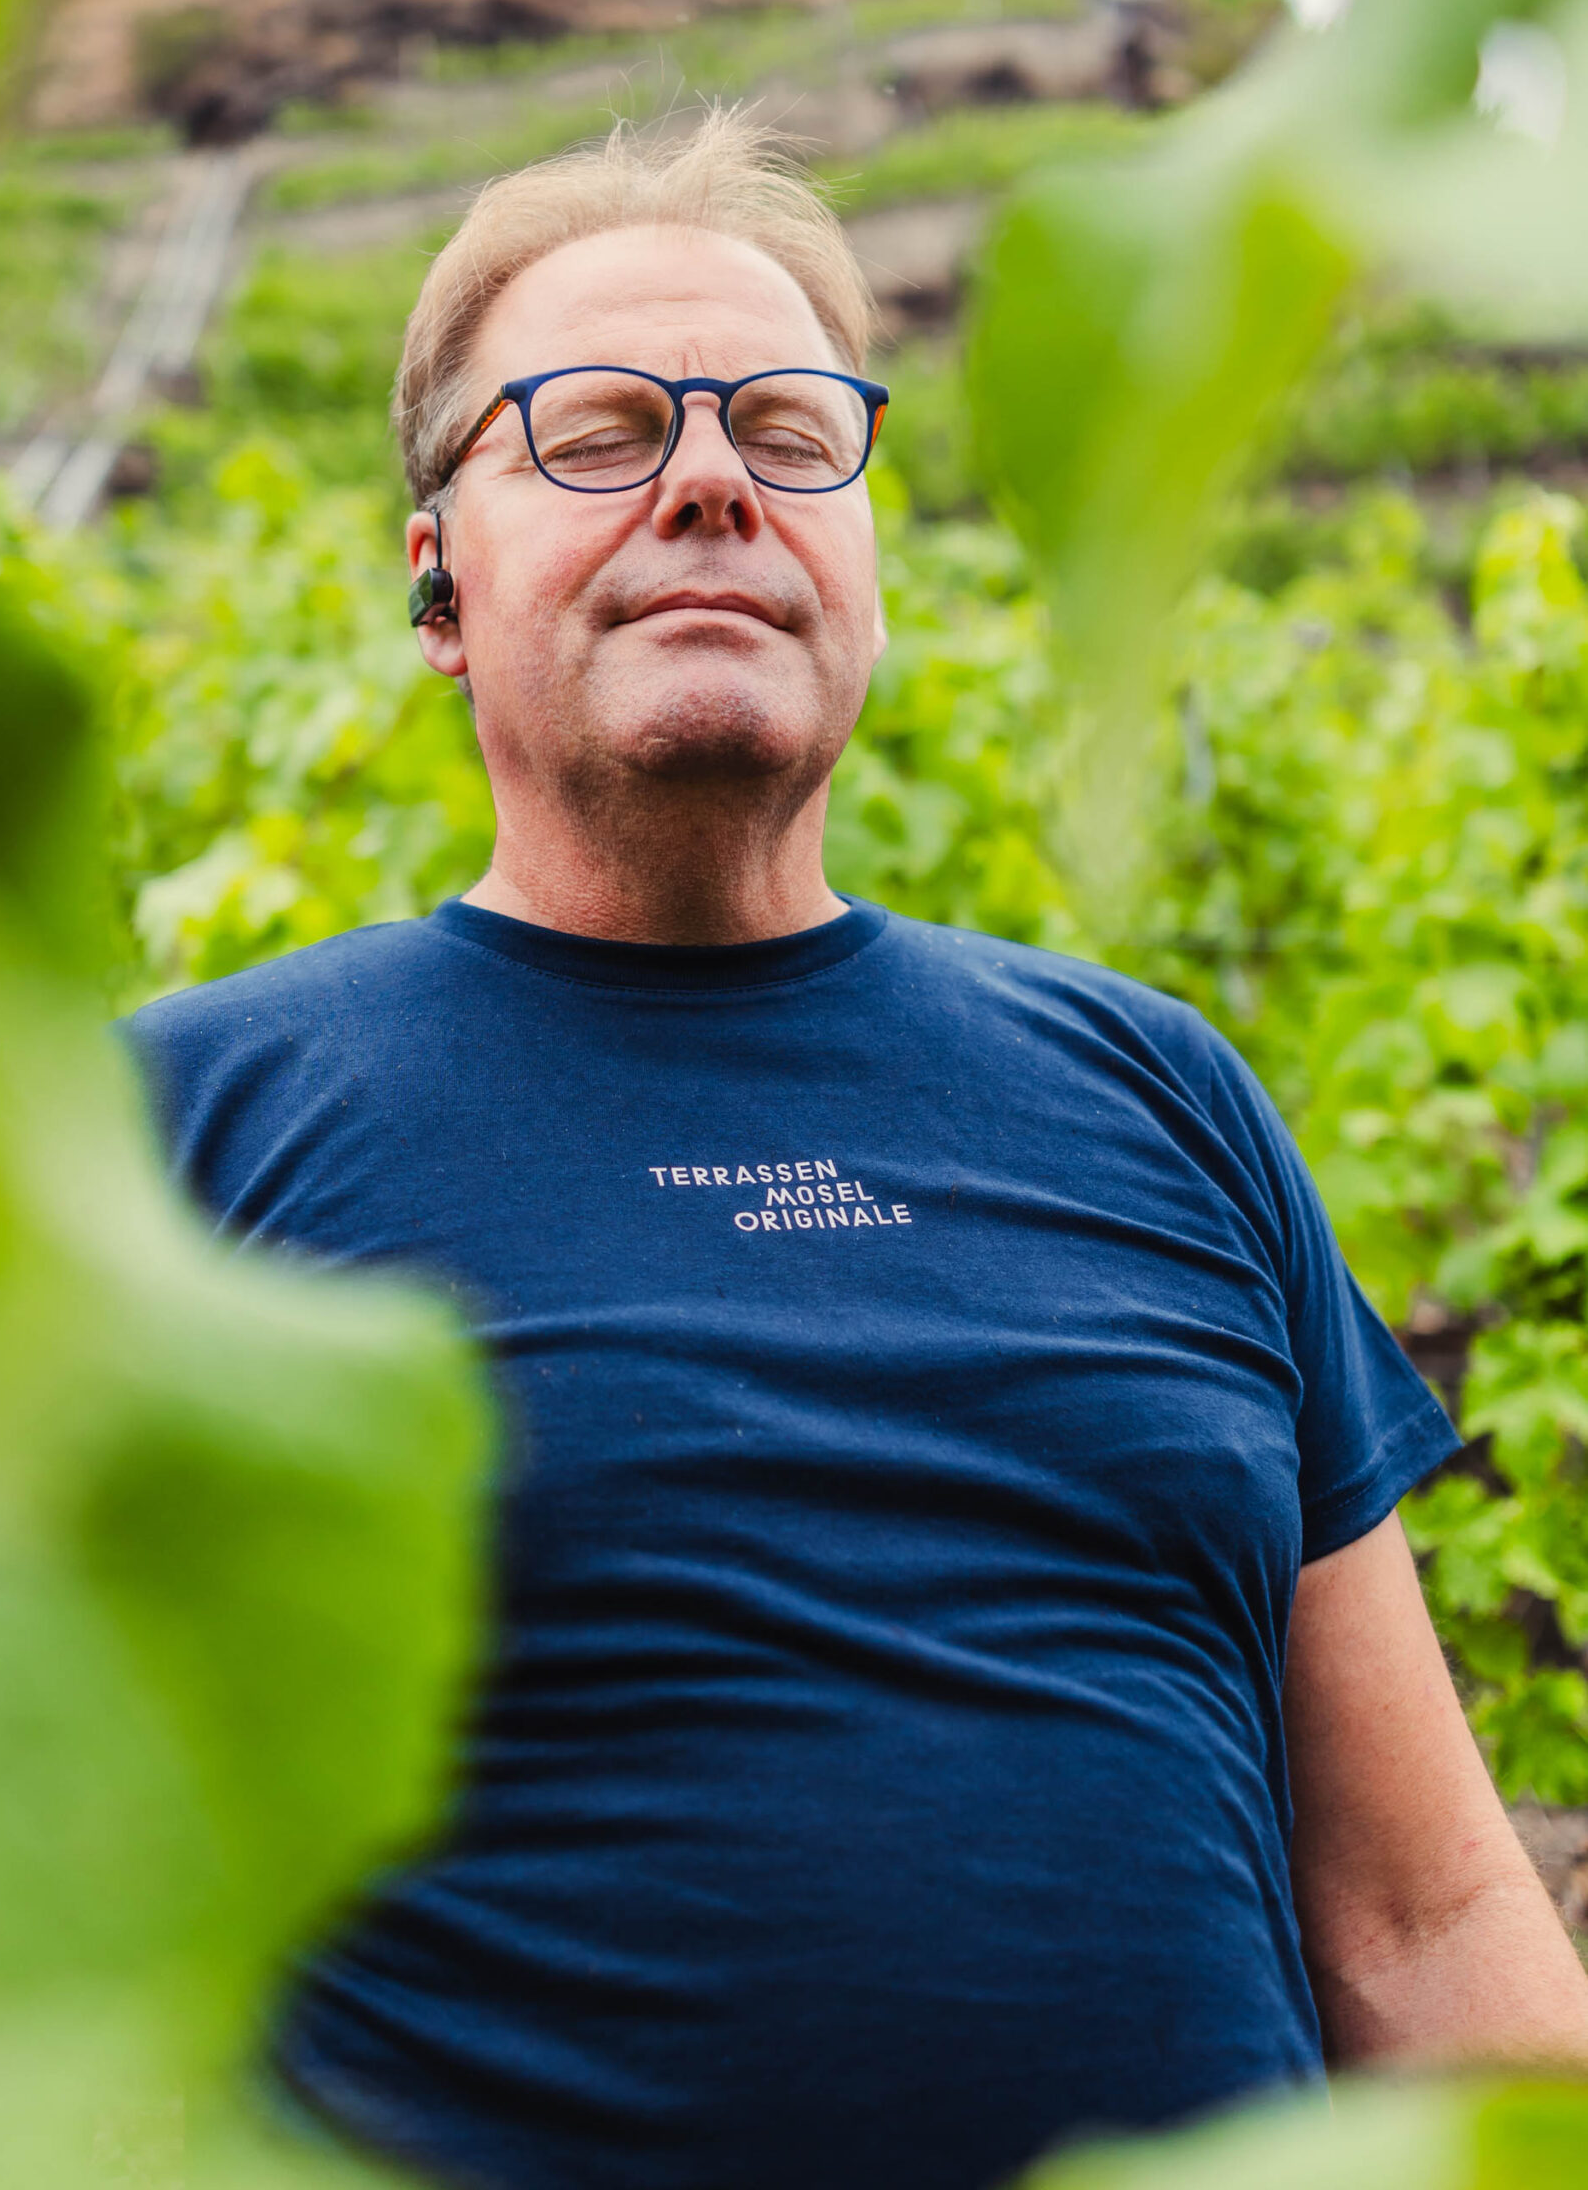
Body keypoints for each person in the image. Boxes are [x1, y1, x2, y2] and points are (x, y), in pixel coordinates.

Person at [128, 111, 1588, 2190]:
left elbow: (1421, 1919)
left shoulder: (1158, 1094)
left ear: (867, 562)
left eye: (790, 433)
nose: (711, 478)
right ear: (435, 578)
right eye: (597, 430)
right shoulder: (175, 1132)